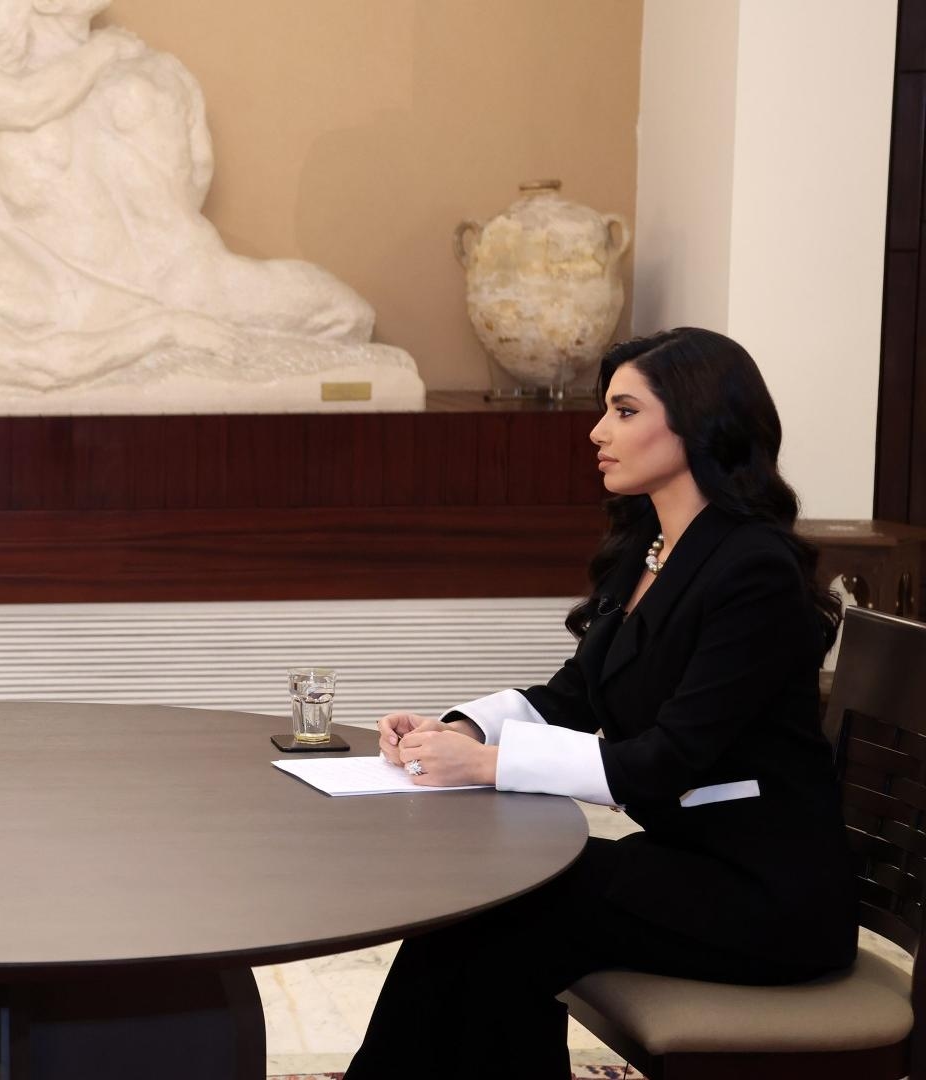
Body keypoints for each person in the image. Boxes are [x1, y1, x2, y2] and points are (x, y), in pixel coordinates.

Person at [347, 327, 857, 1079]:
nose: (596, 431)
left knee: (506, 921)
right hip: (689, 862)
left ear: (697, 422)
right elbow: (574, 694)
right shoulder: (651, 548)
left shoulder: (754, 569)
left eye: (624, 411)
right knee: (481, 910)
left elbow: (667, 760)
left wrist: (488, 765)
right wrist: (457, 729)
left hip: (767, 897)